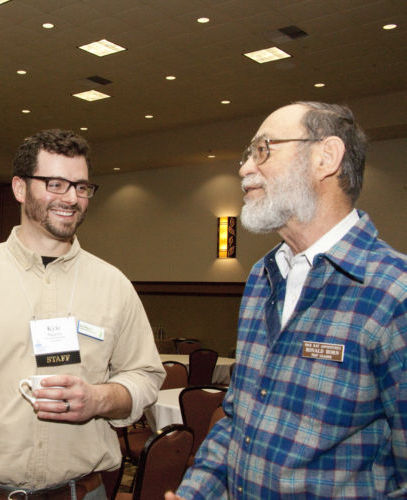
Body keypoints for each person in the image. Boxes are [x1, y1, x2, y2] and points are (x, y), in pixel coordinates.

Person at [0, 129, 165, 500]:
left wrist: (99, 399)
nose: (71, 198)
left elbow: (146, 376)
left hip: (81, 493)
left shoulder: (114, 285)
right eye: (55, 184)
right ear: (20, 189)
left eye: (81, 187)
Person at [167, 102, 407, 499]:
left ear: (325, 157)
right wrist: (196, 491)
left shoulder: (393, 292)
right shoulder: (263, 278)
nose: (244, 168)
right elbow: (238, 420)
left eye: (263, 149)